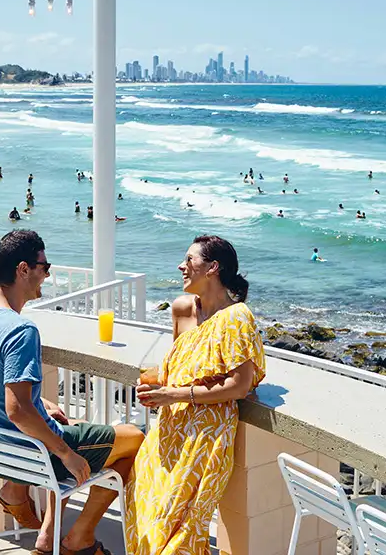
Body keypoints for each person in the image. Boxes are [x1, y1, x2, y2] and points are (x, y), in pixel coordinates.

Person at [0, 230, 144, 553]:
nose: (47, 274)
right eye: (45, 266)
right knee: (136, 439)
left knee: (66, 423)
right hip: (33, 457)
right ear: (23, 269)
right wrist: (65, 453)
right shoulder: (20, 330)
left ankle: (47, 537)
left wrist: (40, 404)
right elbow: (17, 410)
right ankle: (80, 538)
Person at [125, 235, 265, 554]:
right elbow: (182, 366)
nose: (181, 266)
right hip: (167, 433)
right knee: (146, 518)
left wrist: (174, 395)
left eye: (189, 259)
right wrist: (155, 386)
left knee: (182, 533)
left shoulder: (236, 318)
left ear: (213, 267)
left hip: (205, 438)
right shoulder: (182, 309)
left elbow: (240, 386)